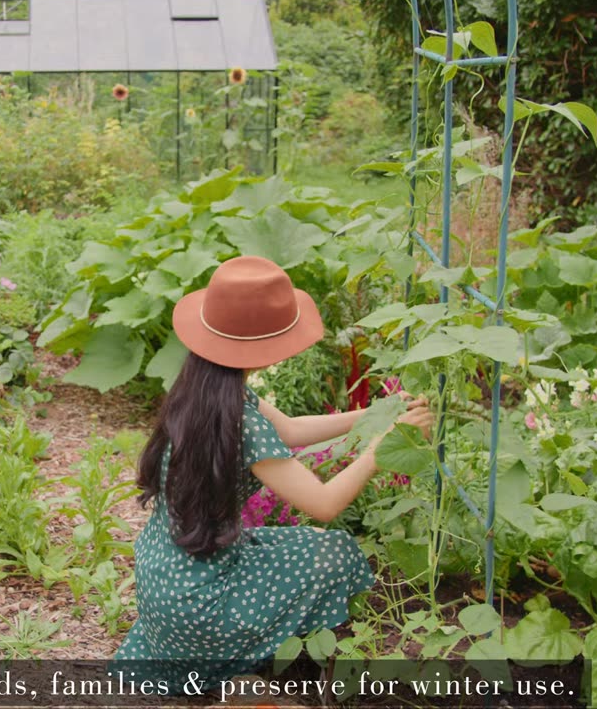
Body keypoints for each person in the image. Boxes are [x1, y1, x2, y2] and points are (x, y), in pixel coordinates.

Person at [111, 255, 434, 691]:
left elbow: (293, 430)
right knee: (334, 553)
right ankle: (249, 657)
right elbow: (324, 505)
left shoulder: (204, 390)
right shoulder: (241, 424)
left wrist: (374, 414)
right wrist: (382, 448)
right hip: (201, 609)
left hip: (165, 585)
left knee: (291, 544)